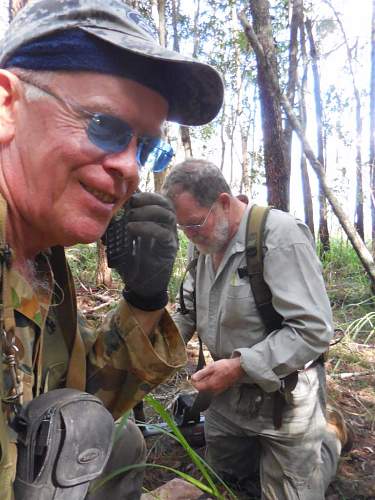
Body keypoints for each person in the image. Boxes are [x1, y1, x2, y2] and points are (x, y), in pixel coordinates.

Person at [0, 2, 224, 499]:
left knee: (122, 445)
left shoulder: (40, 257)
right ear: (7, 107)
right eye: (104, 125)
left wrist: (144, 301)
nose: (130, 168)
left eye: (145, 147)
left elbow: (77, 408)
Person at [162, 159, 351, 500]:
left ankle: (330, 435)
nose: (189, 235)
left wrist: (239, 366)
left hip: (284, 402)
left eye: (193, 225)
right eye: (183, 228)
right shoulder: (202, 240)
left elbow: (313, 330)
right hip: (226, 402)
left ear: (223, 202)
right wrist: (155, 348)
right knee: (224, 481)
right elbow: (187, 312)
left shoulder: (280, 236)